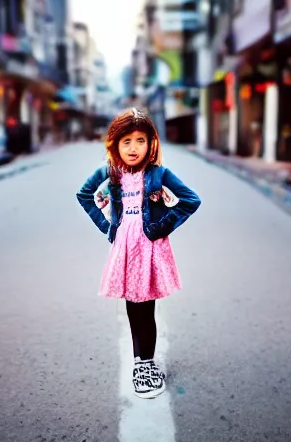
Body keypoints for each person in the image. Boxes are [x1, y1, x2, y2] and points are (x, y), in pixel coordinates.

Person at [76, 108, 201, 399]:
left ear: (151, 143)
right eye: (127, 141)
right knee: (133, 306)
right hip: (126, 248)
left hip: (151, 248)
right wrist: (108, 228)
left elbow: (191, 200)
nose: (134, 148)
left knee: (148, 307)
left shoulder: (159, 174)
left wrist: (159, 227)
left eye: (141, 140)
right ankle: (139, 364)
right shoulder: (110, 172)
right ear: (116, 144)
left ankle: (148, 361)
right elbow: (84, 195)